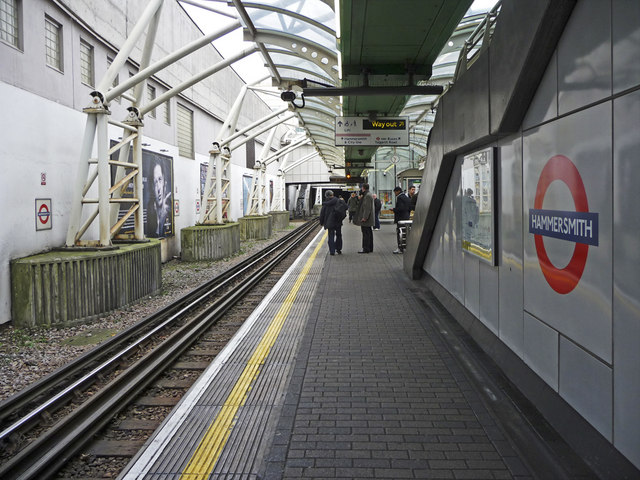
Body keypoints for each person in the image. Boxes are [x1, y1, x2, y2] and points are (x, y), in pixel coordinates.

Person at [146, 161, 171, 237]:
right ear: (152, 187)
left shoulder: (170, 209)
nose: (158, 188)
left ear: (164, 183)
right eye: (155, 182)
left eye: (160, 179)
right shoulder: (149, 210)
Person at [319, 190, 345, 255]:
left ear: (326, 196)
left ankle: (332, 251)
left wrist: (321, 222)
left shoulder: (325, 204)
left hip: (330, 222)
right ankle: (338, 249)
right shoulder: (338, 201)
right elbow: (345, 207)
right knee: (339, 235)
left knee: (331, 236)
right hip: (338, 221)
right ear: (332, 194)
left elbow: (322, 214)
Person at [392, 186, 412, 253]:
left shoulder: (400, 198)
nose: (395, 194)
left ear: (398, 191)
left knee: (399, 233)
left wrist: (394, 210)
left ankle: (400, 248)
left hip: (400, 218)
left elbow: (400, 208)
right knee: (405, 233)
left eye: (395, 192)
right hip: (406, 217)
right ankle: (405, 247)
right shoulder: (406, 197)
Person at [356, 183, 374, 253]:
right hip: (368, 219)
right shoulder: (368, 195)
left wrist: (365, 217)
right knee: (368, 233)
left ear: (363, 188)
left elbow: (367, 208)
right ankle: (369, 248)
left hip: (367, 219)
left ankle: (365, 248)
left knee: (366, 234)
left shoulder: (367, 196)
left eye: (362, 188)